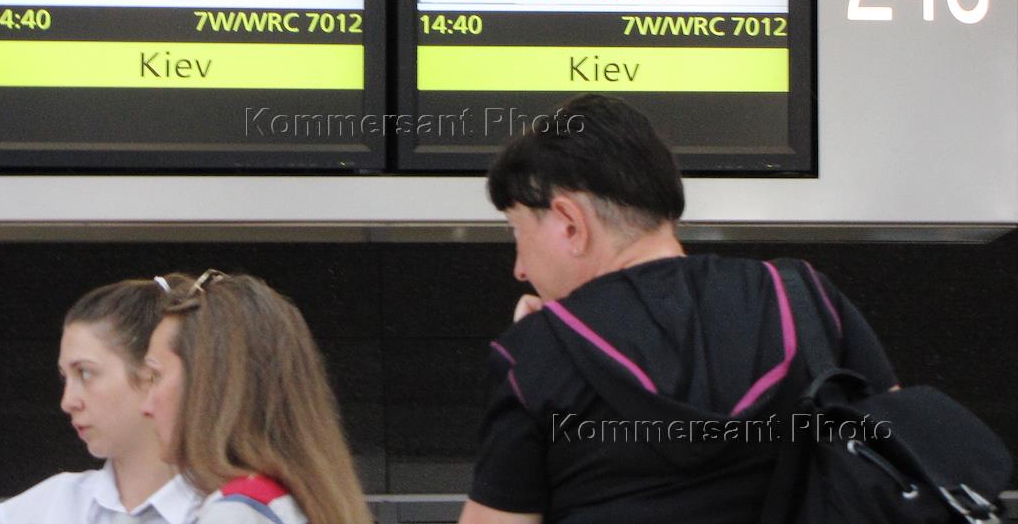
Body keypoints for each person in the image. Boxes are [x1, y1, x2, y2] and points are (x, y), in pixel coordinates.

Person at [458, 94, 898, 524]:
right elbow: (904, 454)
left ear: (570, 224)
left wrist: (537, 354)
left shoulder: (534, 354)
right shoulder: (803, 299)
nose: (519, 268)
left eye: (517, 231)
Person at [142, 270, 373, 524]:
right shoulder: (302, 499)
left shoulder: (235, 513)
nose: (146, 406)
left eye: (155, 376)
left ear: (207, 385)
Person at [0, 275, 201, 524]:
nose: (67, 402)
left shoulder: (227, 510)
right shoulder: (44, 508)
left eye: (85, 373)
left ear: (152, 373)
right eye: (65, 377)